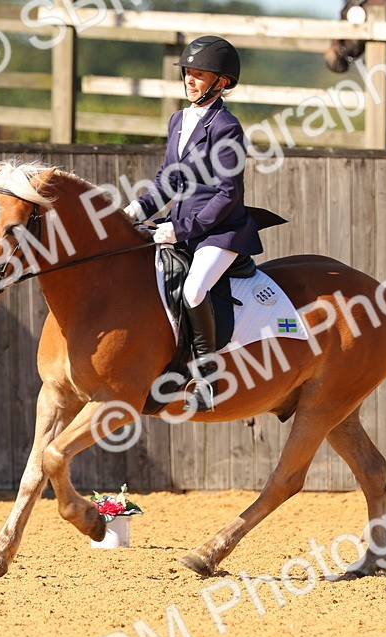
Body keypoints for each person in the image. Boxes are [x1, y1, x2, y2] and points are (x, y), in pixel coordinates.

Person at [123, 35, 263, 413]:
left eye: (200, 75)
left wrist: (180, 230)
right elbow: (168, 179)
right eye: (188, 72)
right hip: (181, 223)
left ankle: (206, 378)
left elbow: (228, 194)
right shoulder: (178, 120)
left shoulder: (226, 127)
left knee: (193, 290)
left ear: (222, 82)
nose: (190, 80)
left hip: (221, 232)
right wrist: (137, 209)